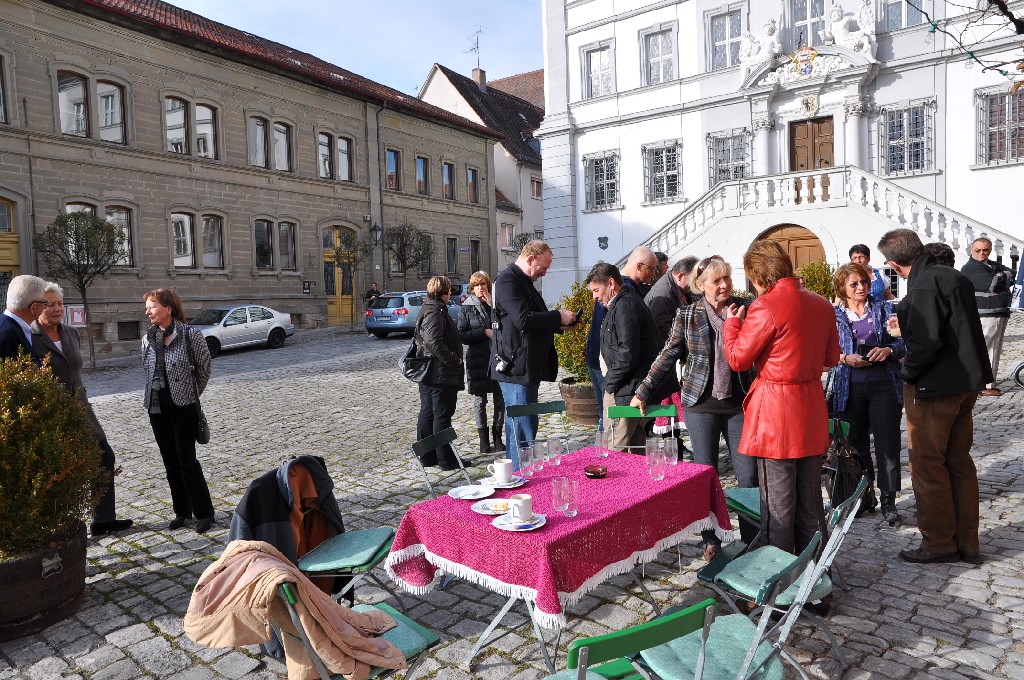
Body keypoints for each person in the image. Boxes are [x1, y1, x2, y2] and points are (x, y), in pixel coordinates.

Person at [878, 229, 991, 564]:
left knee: (928, 466)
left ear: (895, 264)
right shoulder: (952, 277)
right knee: (958, 462)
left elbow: (927, 343)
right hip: (964, 383)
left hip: (936, 387)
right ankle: (967, 543)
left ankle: (940, 543)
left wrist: (907, 372)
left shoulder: (926, 283)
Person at [633, 256, 758, 556]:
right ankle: (711, 539)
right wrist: (643, 391)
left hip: (739, 403)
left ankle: (753, 540)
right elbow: (668, 354)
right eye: (716, 281)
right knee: (706, 474)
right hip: (700, 404)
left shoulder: (746, 308)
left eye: (726, 278)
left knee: (749, 474)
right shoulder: (687, 315)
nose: (724, 284)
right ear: (700, 286)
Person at [723, 241, 839, 556]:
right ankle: (815, 584)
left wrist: (731, 325)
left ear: (758, 278)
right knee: (810, 503)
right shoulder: (821, 303)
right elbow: (832, 357)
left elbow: (737, 359)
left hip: (776, 412)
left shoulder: (766, 305)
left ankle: (779, 585)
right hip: (810, 405)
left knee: (778, 507)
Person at [32, 283, 134, 537]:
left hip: (81, 409)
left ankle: (102, 519)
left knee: (104, 457)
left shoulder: (70, 333)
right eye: (50, 304)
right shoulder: (30, 336)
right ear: (37, 307)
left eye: (59, 304)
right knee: (58, 469)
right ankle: (57, 526)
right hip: (52, 416)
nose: (57, 309)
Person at [830, 263, 906, 527]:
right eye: (854, 284)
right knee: (856, 448)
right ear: (843, 288)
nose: (861, 288)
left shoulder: (884, 308)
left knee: (887, 444)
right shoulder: (833, 315)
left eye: (863, 282)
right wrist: (844, 358)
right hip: (849, 388)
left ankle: (889, 501)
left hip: (884, 384)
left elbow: (902, 341)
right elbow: (822, 351)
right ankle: (864, 498)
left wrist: (889, 351)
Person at [491, 240, 576, 469]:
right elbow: (524, 319)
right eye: (543, 267)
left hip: (524, 365)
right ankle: (521, 475)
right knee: (522, 426)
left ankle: (519, 473)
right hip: (515, 367)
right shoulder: (508, 280)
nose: (545, 273)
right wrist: (557, 316)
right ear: (530, 259)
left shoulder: (523, 280)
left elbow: (532, 318)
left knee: (524, 424)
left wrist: (559, 325)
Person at [142, 288, 216, 533]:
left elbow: (204, 368)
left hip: (183, 407)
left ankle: (204, 513)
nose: (148, 311)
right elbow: (147, 369)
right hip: (156, 407)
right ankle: (181, 511)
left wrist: (191, 393)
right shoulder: (148, 338)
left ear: (168, 308)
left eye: (152, 306)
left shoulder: (189, 335)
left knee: (187, 461)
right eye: (148, 307)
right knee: (170, 462)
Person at [586, 263, 659, 453]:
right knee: (633, 448)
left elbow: (628, 354)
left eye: (596, 290)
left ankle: (618, 485)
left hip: (625, 389)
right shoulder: (620, 304)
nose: (594, 296)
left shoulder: (626, 305)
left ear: (611, 283)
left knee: (614, 450)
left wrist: (608, 383)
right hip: (626, 386)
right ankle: (638, 483)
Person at [415, 276, 467, 471]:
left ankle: (428, 457)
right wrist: (454, 359)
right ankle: (446, 460)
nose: (450, 294)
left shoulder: (430, 308)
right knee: (440, 416)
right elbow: (432, 341)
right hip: (439, 374)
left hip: (432, 373)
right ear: (445, 292)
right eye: (449, 291)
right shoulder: (434, 311)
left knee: (429, 414)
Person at [458, 271, 505, 454]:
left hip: (497, 358)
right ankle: (484, 441)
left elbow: (506, 323)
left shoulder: (494, 305)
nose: (480, 288)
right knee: (480, 401)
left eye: (483, 284)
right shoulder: (466, 308)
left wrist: (493, 305)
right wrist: (483, 333)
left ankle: (497, 438)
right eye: (477, 285)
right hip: (477, 359)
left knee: (499, 400)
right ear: (472, 288)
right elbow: (462, 335)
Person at [961, 237, 1012, 396]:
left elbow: (1013, 273)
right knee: (987, 348)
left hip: (998, 312)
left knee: (995, 347)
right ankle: (984, 384)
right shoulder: (970, 268)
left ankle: (988, 382)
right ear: (971, 250)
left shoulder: (991, 265)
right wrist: (1002, 277)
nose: (982, 253)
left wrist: (1002, 275)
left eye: (986, 250)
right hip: (986, 313)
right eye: (978, 250)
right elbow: (992, 284)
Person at [645, 256, 698, 341]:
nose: (696, 283)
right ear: (680, 276)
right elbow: (662, 332)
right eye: (694, 279)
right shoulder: (663, 294)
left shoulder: (679, 287)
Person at [1, 274, 48, 361]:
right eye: (45, 303)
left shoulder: (13, 327)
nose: (45, 307)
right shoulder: (8, 334)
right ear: (33, 308)